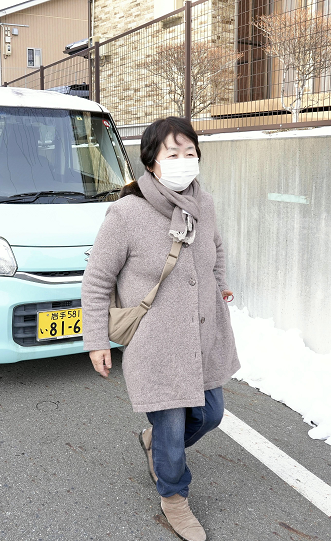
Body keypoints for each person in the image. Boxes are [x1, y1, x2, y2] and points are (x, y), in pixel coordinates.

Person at [81, 117, 240, 541]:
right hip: (155, 343)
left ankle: (156, 445)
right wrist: (96, 340)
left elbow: (216, 249)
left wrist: (219, 285)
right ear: (151, 162)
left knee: (211, 414)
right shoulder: (126, 213)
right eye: (174, 153)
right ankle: (174, 496)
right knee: (171, 428)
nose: (184, 161)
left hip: (203, 334)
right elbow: (97, 279)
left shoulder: (204, 204)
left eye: (190, 153)